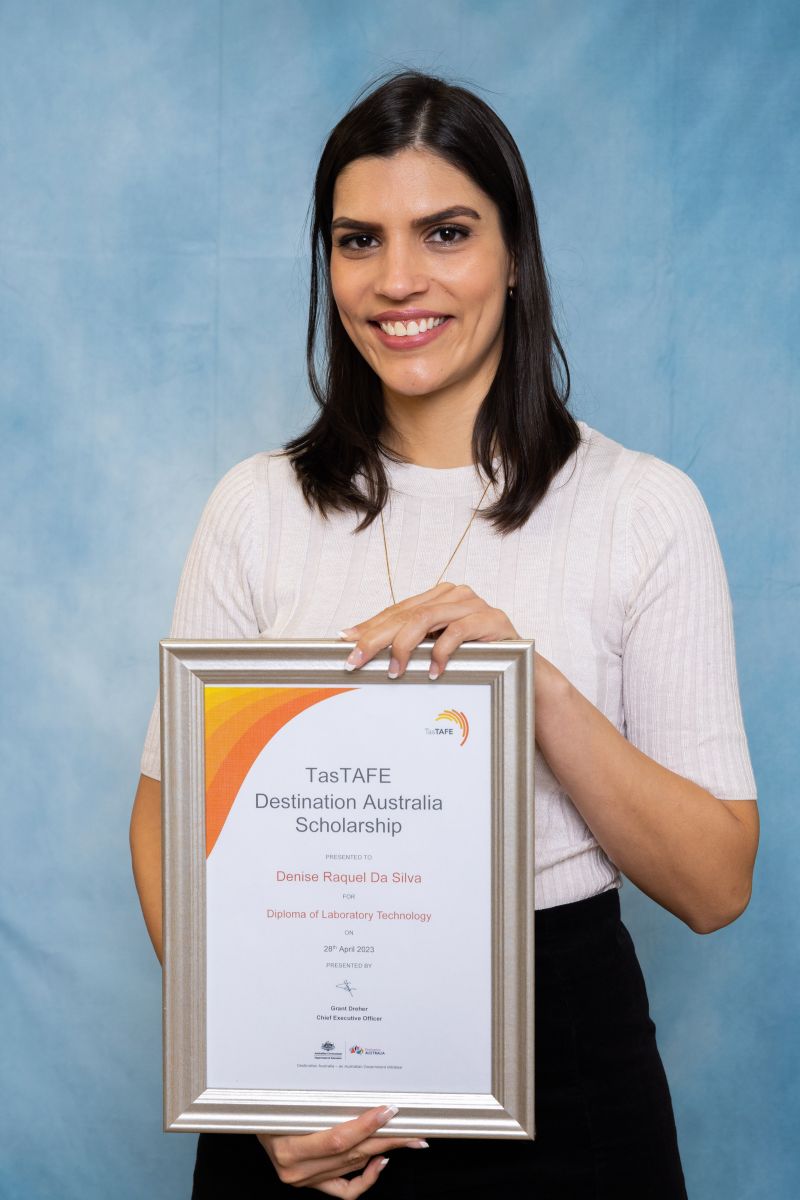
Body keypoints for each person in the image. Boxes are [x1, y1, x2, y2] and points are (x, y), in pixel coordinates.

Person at [130, 70, 759, 1199]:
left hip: (563, 1059)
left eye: (446, 232)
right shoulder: (254, 507)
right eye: (357, 240)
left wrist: (536, 691)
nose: (398, 280)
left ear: (513, 256)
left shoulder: (639, 507)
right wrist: (254, 1075)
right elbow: (167, 822)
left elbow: (715, 885)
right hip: (301, 1078)